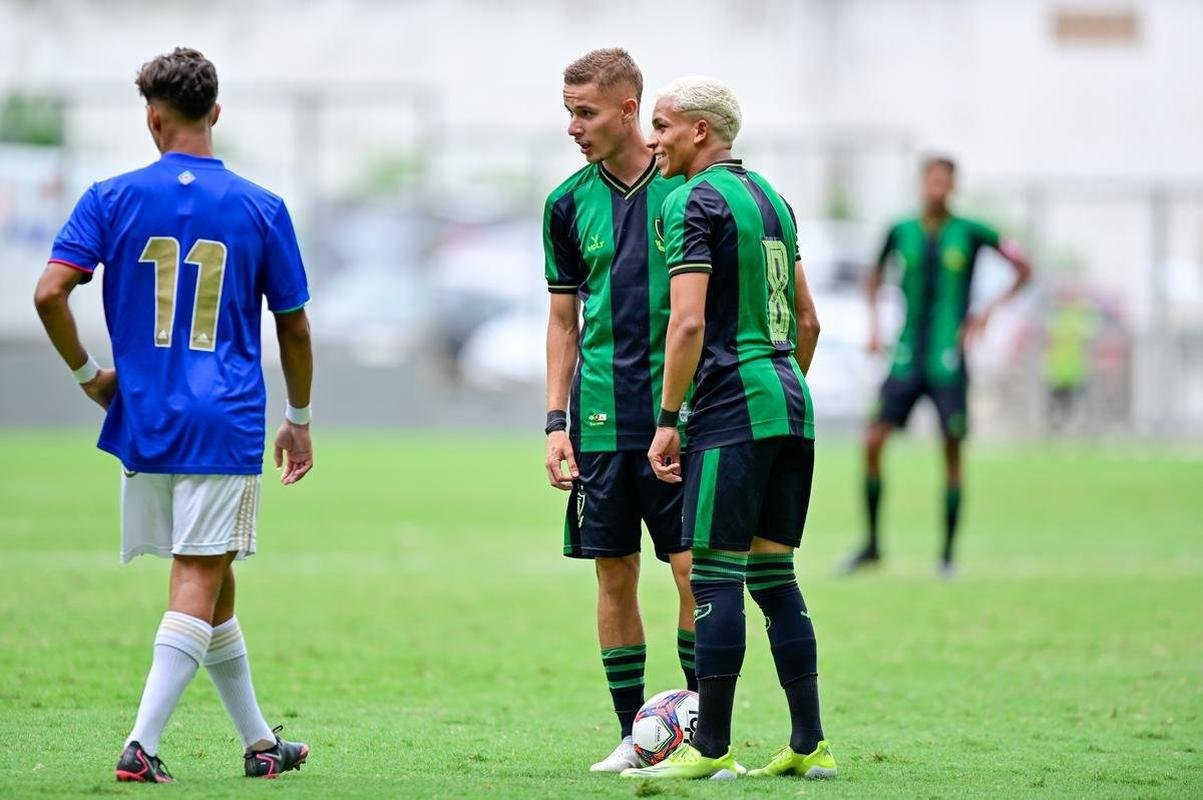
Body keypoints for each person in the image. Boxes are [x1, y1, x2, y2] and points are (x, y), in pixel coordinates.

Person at [33, 48, 314, 783]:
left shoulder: (109, 196)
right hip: (223, 419)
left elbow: (48, 294)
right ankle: (141, 744)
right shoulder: (261, 206)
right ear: (215, 113)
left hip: (144, 417)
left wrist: (88, 374)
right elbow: (295, 326)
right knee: (199, 571)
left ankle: (259, 743)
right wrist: (301, 415)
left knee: (214, 581)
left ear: (153, 118)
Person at [622, 76, 835, 781]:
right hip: (790, 402)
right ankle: (809, 743)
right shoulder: (773, 198)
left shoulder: (692, 199)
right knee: (774, 576)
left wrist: (668, 419)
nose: (651, 139)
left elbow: (685, 321)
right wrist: (778, 389)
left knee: (712, 575)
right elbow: (807, 319)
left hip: (730, 407)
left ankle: (708, 748)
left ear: (699, 133)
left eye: (661, 125)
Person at [542, 48, 696, 774]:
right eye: (568, 111)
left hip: (682, 419)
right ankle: (634, 733)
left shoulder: (688, 194)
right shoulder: (567, 204)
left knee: (693, 570)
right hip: (599, 422)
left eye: (585, 112)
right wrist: (553, 424)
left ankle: (701, 730)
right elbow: (563, 323)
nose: (572, 126)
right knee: (613, 574)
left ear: (628, 110)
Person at [843, 156, 1032, 577]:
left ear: (953, 186)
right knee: (873, 441)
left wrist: (987, 311)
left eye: (945, 181)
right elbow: (872, 276)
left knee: (951, 449)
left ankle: (947, 556)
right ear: (921, 183)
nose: (937, 188)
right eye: (931, 180)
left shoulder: (971, 232)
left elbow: (1024, 265)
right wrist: (875, 325)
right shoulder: (900, 230)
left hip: (948, 360)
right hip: (907, 355)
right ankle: (872, 545)